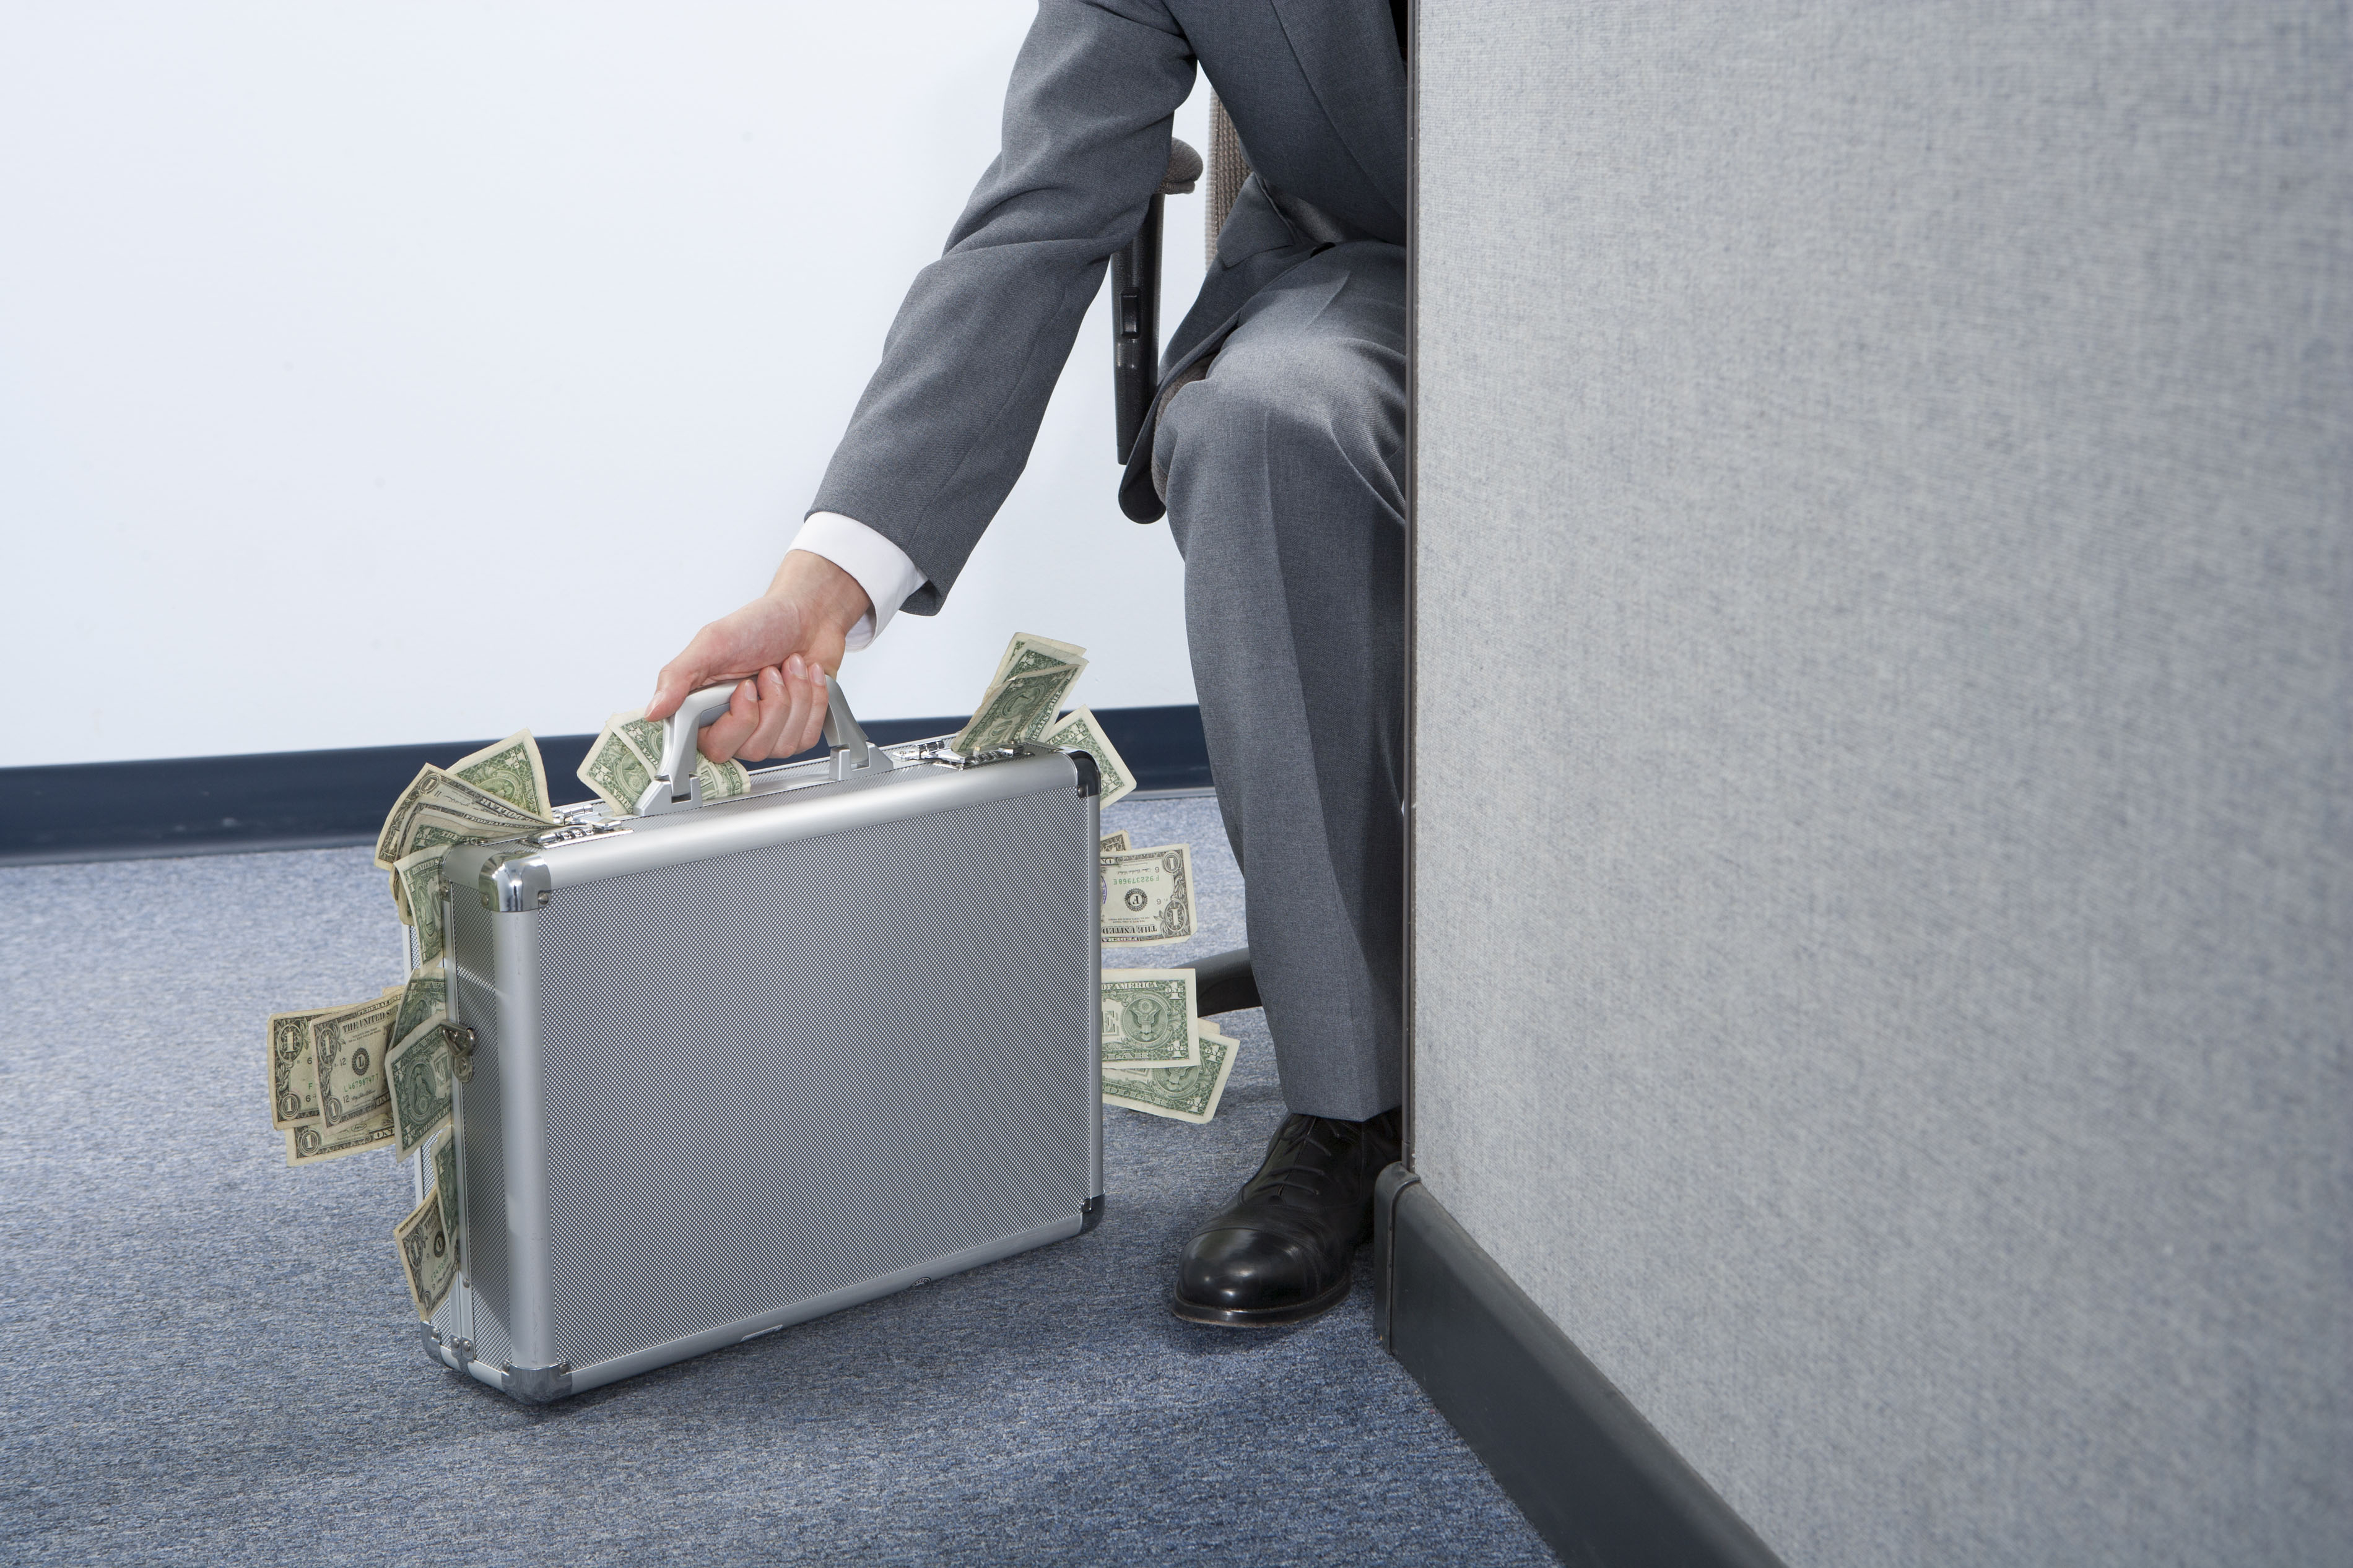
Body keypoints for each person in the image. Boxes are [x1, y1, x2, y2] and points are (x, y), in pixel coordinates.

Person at [647, 0, 1407, 1327]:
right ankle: (1351, 1105)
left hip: (1688, 258)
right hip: (1377, 281)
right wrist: (825, 586)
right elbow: (1042, 208)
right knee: (1263, 422)